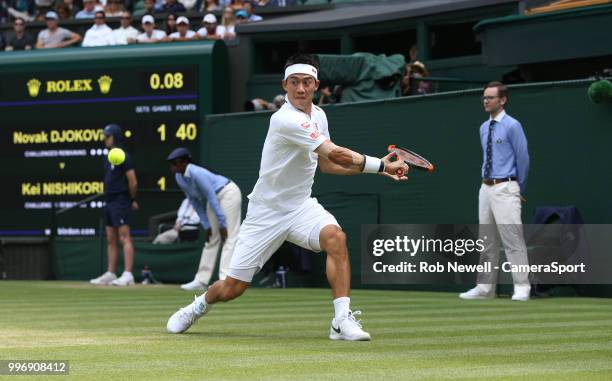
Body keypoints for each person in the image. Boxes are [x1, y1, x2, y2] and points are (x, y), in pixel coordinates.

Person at [166, 53, 409, 340]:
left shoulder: (319, 115)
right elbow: (337, 154)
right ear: (285, 85)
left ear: (316, 85)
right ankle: (197, 306)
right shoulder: (285, 119)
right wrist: (380, 165)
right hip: (265, 213)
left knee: (336, 238)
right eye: (294, 82)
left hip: (300, 207)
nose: (301, 89)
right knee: (232, 289)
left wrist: (375, 172)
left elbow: (328, 164)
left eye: (307, 82)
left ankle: (341, 321)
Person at [460, 81, 531, 302]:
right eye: (484, 97)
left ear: (503, 100)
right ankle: (484, 288)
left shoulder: (512, 125)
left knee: (512, 238)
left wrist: (519, 187)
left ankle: (522, 287)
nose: (486, 100)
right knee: (487, 240)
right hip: (486, 188)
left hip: (506, 186)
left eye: (490, 97)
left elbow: (523, 159)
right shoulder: (483, 127)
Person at [166, 148, 242, 291]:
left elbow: (211, 196)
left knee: (229, 237)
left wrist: (222, 223)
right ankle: (201, 280)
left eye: (175, 163)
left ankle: (225, 280)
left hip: (228, 193)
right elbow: (194, 201)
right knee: (211, 239)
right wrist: (206, 225)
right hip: (213, 199)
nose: (172, 167)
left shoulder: (197, 173)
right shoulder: (179, 177)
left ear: (184, 163)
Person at [90, 124, 139, 286]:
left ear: (115, 137)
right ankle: (111, 273)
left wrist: (131, 199)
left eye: (108, 136)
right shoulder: (108, 156)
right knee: (111, 238)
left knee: (124, 237)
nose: (105, 139)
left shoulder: (124, 156)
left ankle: (128, 274)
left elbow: (133, 181)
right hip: (110, 200)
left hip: (121, 200)